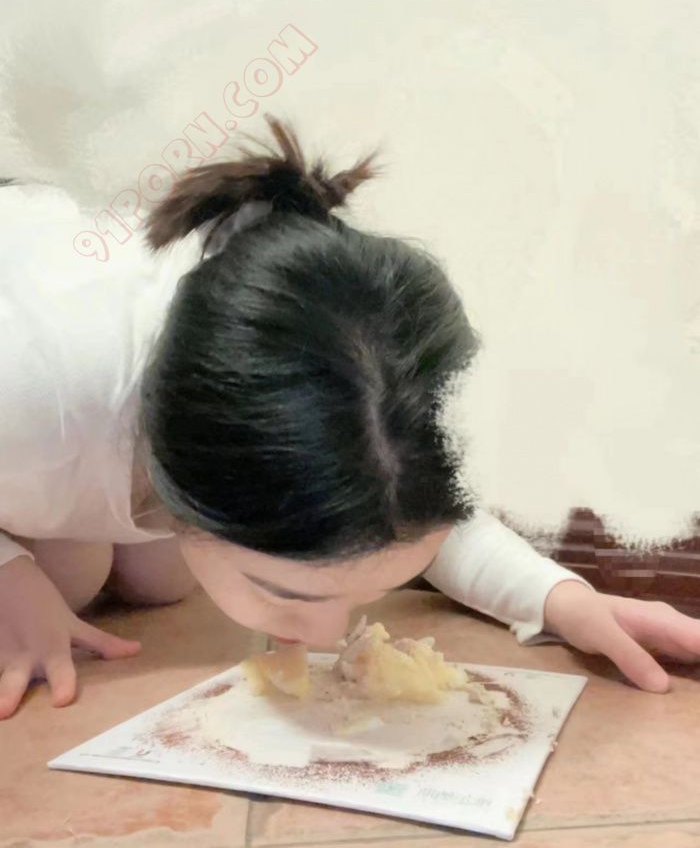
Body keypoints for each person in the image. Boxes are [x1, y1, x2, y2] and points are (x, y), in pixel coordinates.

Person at [1, 117, 697, 721]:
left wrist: (557, 597)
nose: (328, 636)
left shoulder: (333, 374)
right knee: (71, 576)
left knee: (157, 579)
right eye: (287, 591)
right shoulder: (32, 381)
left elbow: (387, 513)